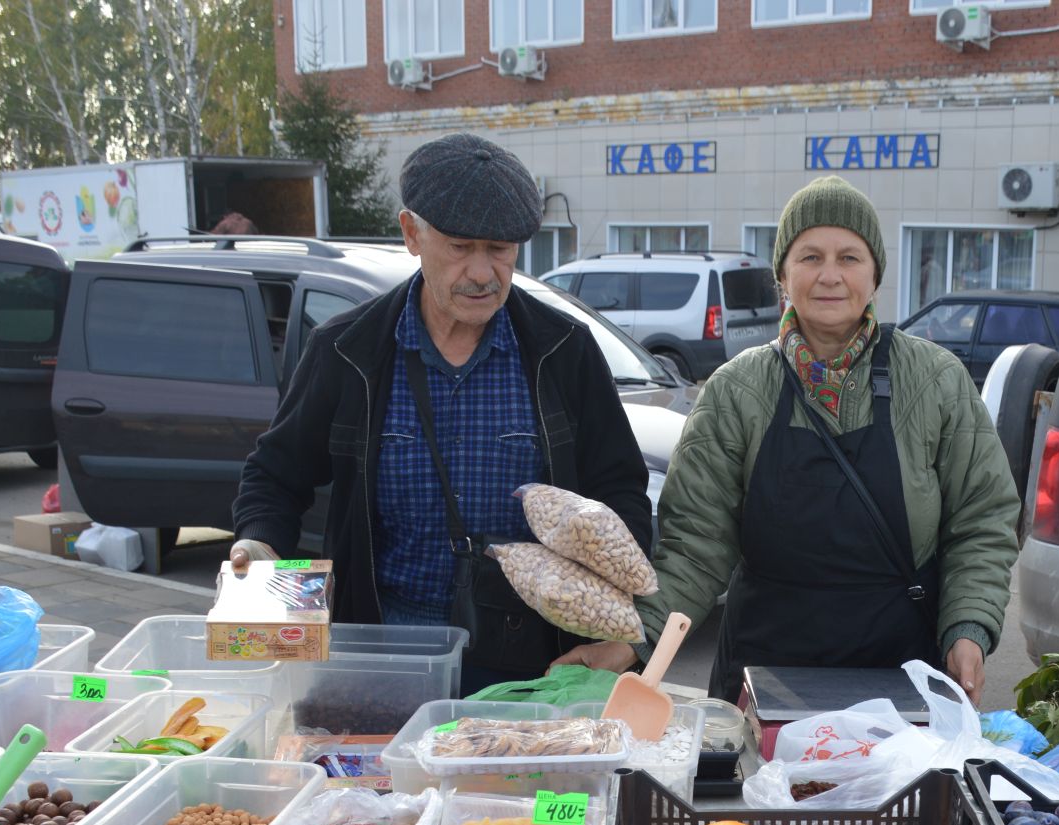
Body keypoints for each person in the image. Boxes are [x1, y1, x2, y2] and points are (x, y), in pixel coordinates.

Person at [556, 176, 1019, 703]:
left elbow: (982, 519)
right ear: (783, 274)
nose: (829, 276)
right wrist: (632, 640)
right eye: (810, 257)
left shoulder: (935, 380)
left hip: (902, 680)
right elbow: (695, 548)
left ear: (875, 275)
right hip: (761, 679)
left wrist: (968, 628)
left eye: (849, 257)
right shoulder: (736, 390)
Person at [230, 133, 652, 691]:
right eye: (459, 246)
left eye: (500, 249)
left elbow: (619, 494)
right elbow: (275, 477)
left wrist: (618, 633)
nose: (482, 272)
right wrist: (259, 546)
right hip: (388, 654)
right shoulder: (346, 351)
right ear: (412, 234)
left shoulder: (562, 351)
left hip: (540, 664)